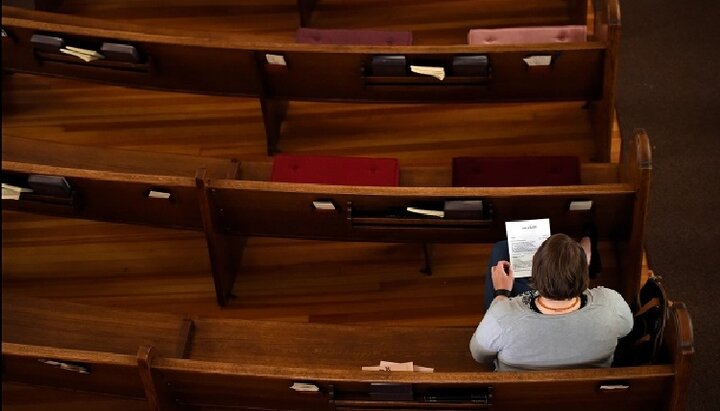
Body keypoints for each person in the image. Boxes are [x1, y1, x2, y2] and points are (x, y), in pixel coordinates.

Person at [469, 233, 633, 371]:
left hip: (519, 394)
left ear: (535, 275)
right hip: (584, 392)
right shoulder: (610, 304)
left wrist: (502, 294)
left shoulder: (503, 317)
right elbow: (627, 329)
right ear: (585, 275)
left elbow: (479, 355)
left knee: (501, 248)